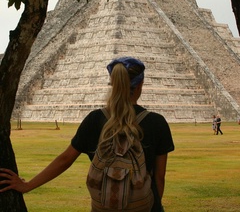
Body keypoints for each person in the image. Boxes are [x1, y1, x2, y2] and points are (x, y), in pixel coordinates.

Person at [0, 57, 175, 212]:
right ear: (140, 85)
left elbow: (65, 160)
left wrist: (27, 185)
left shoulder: (95, 119)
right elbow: (159, 176)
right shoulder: (156, 122)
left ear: (113, 83)